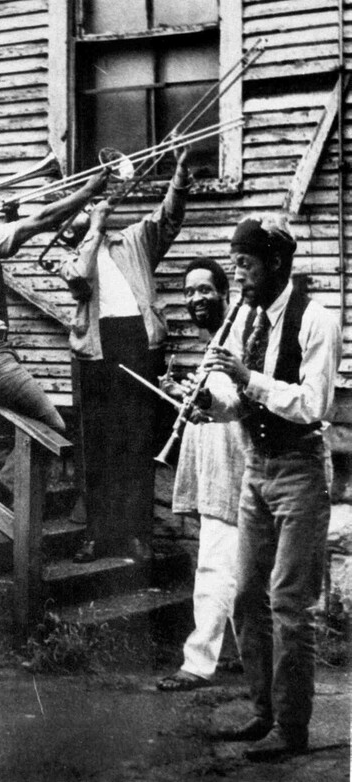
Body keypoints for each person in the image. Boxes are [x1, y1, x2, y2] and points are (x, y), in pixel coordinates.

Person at [199, 214, 339, 761]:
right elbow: (235, 400)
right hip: (256, 466)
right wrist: (207, 404)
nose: (238, 275)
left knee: (288, 604)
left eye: (247, 264)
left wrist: (244, 377)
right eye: (234, 263)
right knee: (244, 596)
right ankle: (263, 712)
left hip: (301, 468)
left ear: (277, 263)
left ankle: (293, 728)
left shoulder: (316, 319)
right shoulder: (245, 319)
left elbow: (313, 405)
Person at [59, 147, 192, 563]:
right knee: (97, 445)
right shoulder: (70, 257)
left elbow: (168, 219)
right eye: (82, 213)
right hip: (96, 351)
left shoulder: (133, 239)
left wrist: (180, 176)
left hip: (138, 342)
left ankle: (138, 535)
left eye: (92, 208)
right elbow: (81, 280)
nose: (91, 213)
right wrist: (93, 229)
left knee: (136, 442)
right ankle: (98, 535)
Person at [0, 172, 107, 435]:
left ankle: (6, 475)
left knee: (25, 425)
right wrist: (88, 190)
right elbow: (43, 219)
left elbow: (8, 247)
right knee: (54, 426)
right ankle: (6, 478)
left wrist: (11, 219)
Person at [154, 258, 246, 692]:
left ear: (224, 293)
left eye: (205, 290)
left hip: (235, 462)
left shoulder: (240, 333)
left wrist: (205, 397)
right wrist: (181, 395)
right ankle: (245, 655)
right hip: (218, 461)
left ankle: (197, 662)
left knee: (215, 564)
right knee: (237, 567)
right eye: (189, 292)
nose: (195, 299)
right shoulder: (217, 338)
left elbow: (234, 396)